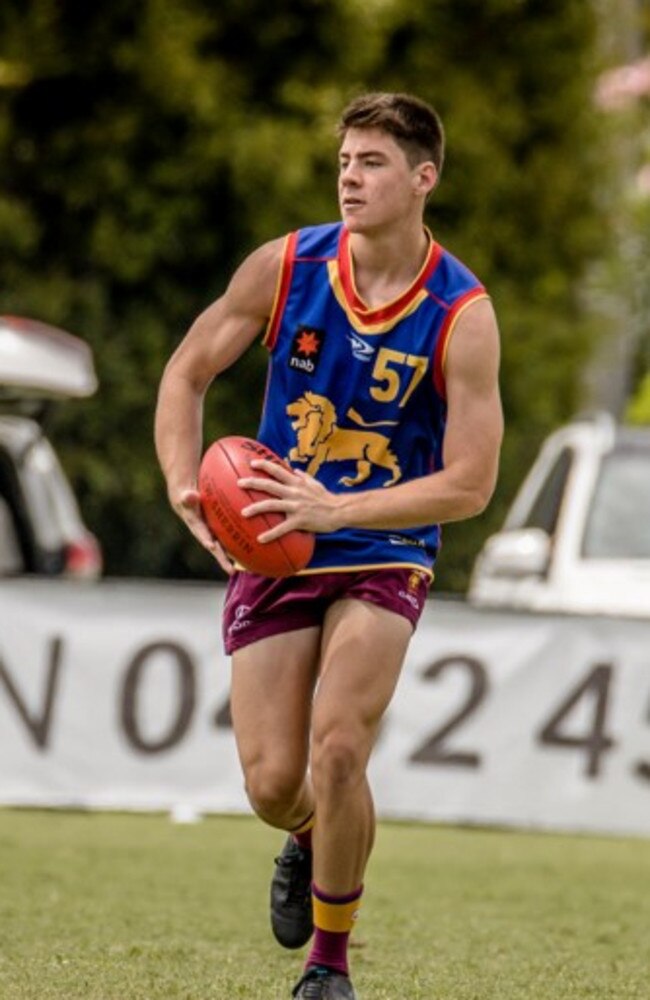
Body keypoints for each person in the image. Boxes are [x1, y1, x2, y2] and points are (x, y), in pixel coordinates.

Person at [155, 91, 503, 1000]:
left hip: (383, 548)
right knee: (276, 783)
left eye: (373, 162)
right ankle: (305, 834)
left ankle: (329, 965)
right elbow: (188, 371)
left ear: (424, 178)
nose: (350, 176)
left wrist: (340, 511)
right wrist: (182, 483)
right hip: (277, 539)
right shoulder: (288, 264)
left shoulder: (462, 312)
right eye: (346, 160)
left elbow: (470, 484)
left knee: (340, 748)